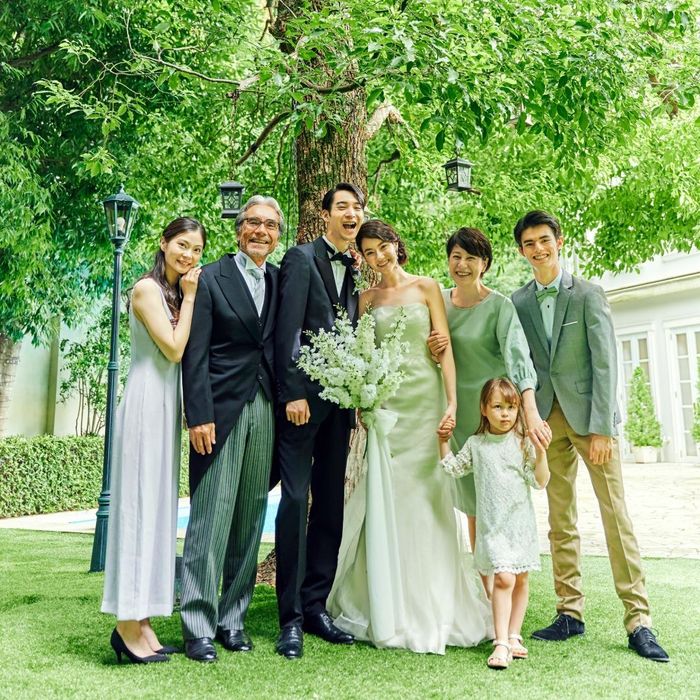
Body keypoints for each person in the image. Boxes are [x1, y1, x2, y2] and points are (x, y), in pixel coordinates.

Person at [327, 219, 492, 654]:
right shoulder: (366, 300)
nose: (378, 256)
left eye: (382, 247)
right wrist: (364, 403)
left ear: (395, 244)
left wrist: (452, 403)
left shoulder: (427, 288)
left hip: (427, 404)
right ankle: (386, 599)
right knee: (391, 498)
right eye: (368, 252)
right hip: (388, 409)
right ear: (362, 258)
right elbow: (363, 357)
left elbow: (444, 348)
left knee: (429, 498)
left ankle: (436, 600)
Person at [511, 210, 669, 662]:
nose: (538, 249)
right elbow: (522, 362)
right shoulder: (518, 302)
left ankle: (638, 620)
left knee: (615, 516)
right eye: (529, 243)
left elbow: (605, 362)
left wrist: (603, 427)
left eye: (544, 240)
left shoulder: (588, 294)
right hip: (547, 423)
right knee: (560, 520)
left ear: (559, 241)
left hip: (590, 421)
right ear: (521, 251)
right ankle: (569, 612)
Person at [179, 196, 282, 663]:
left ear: (277, 235)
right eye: (253, 223)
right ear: (239, 230)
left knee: (250, 516)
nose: (261, 231)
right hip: (219, 410)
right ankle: (198, 625)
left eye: (270, 225)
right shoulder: (211, 278)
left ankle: (232, 620)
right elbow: (194, 352)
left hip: (266, 407)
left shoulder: (278, 280)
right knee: (211, 517)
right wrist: (198, 414)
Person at [102, 217, 205, 664]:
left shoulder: (171, 292)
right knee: (136, 511)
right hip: (145, 404)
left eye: (196, 250)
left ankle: (143, 621)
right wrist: (192, 296)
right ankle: (126, 625)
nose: (189, 255)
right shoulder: (146, 290)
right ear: (163, 244)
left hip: (165, 407)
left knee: (157, 512)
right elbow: (174, 349)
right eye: (182, 245)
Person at [427, 227, 550, 594]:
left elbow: (518, 361)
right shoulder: (438, 302)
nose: (462, 265)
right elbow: (429, 355)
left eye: (471, 258)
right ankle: (486, 597)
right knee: (472, 506)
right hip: (455, 414)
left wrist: (529, 414)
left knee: (499, 502)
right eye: (456, 257)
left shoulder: (500, 306)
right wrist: (431, 351)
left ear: (485, 263)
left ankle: (509, 584)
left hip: (493, 420)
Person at [274, 183, 365, 659]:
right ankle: (288, 618)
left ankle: (315, 607)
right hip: (302, 405)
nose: (351, 213)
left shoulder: (355, 268)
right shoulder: (300, 258)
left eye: (357, 207)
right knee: (294, 502)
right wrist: (292, 391)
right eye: (342, 206)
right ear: (325, 213)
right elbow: (287, 329)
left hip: (339, 409)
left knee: (330, 505)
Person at [439, 378, 549, 669]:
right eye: (498, 407)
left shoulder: (522, 443)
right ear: (484, 409)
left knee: (521, 578)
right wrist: (443, 442)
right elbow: (453, 468)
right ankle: (500, 642)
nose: (505, 414)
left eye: (511, 407)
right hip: (493, 528)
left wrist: (542, 453)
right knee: (504, 578)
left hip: (520, 525)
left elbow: (539, 481)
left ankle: (514, 635)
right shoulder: (477, 445)